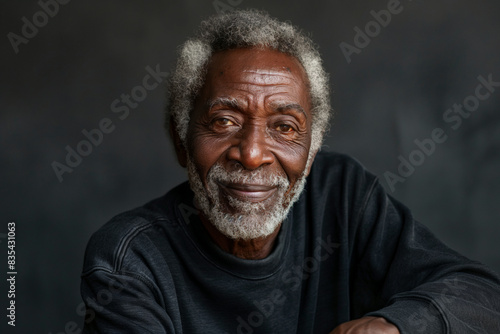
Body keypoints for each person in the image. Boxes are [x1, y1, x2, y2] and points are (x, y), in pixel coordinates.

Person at [80, 9, 500, 334]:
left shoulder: (341, 197)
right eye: (224, 121)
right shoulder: (129, 258)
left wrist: (399, 325)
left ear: (312, 149)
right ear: (180, 140)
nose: (253, 154)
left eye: (284, 128)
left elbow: (482, 296)